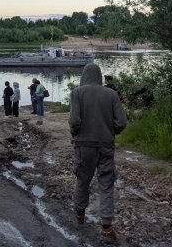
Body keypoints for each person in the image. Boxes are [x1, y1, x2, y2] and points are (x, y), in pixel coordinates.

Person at [69, 63, 127, 244]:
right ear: (100, 76)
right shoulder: (111, 94)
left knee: (83, 180)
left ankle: (79, 214)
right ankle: (107, 228)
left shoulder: (77, 93)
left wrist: (75, 134)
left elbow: (74, 120)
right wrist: (111, 132)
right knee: (106, 183)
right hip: (106, 145)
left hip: (84, 145)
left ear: (84, 76)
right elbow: (122, 122)